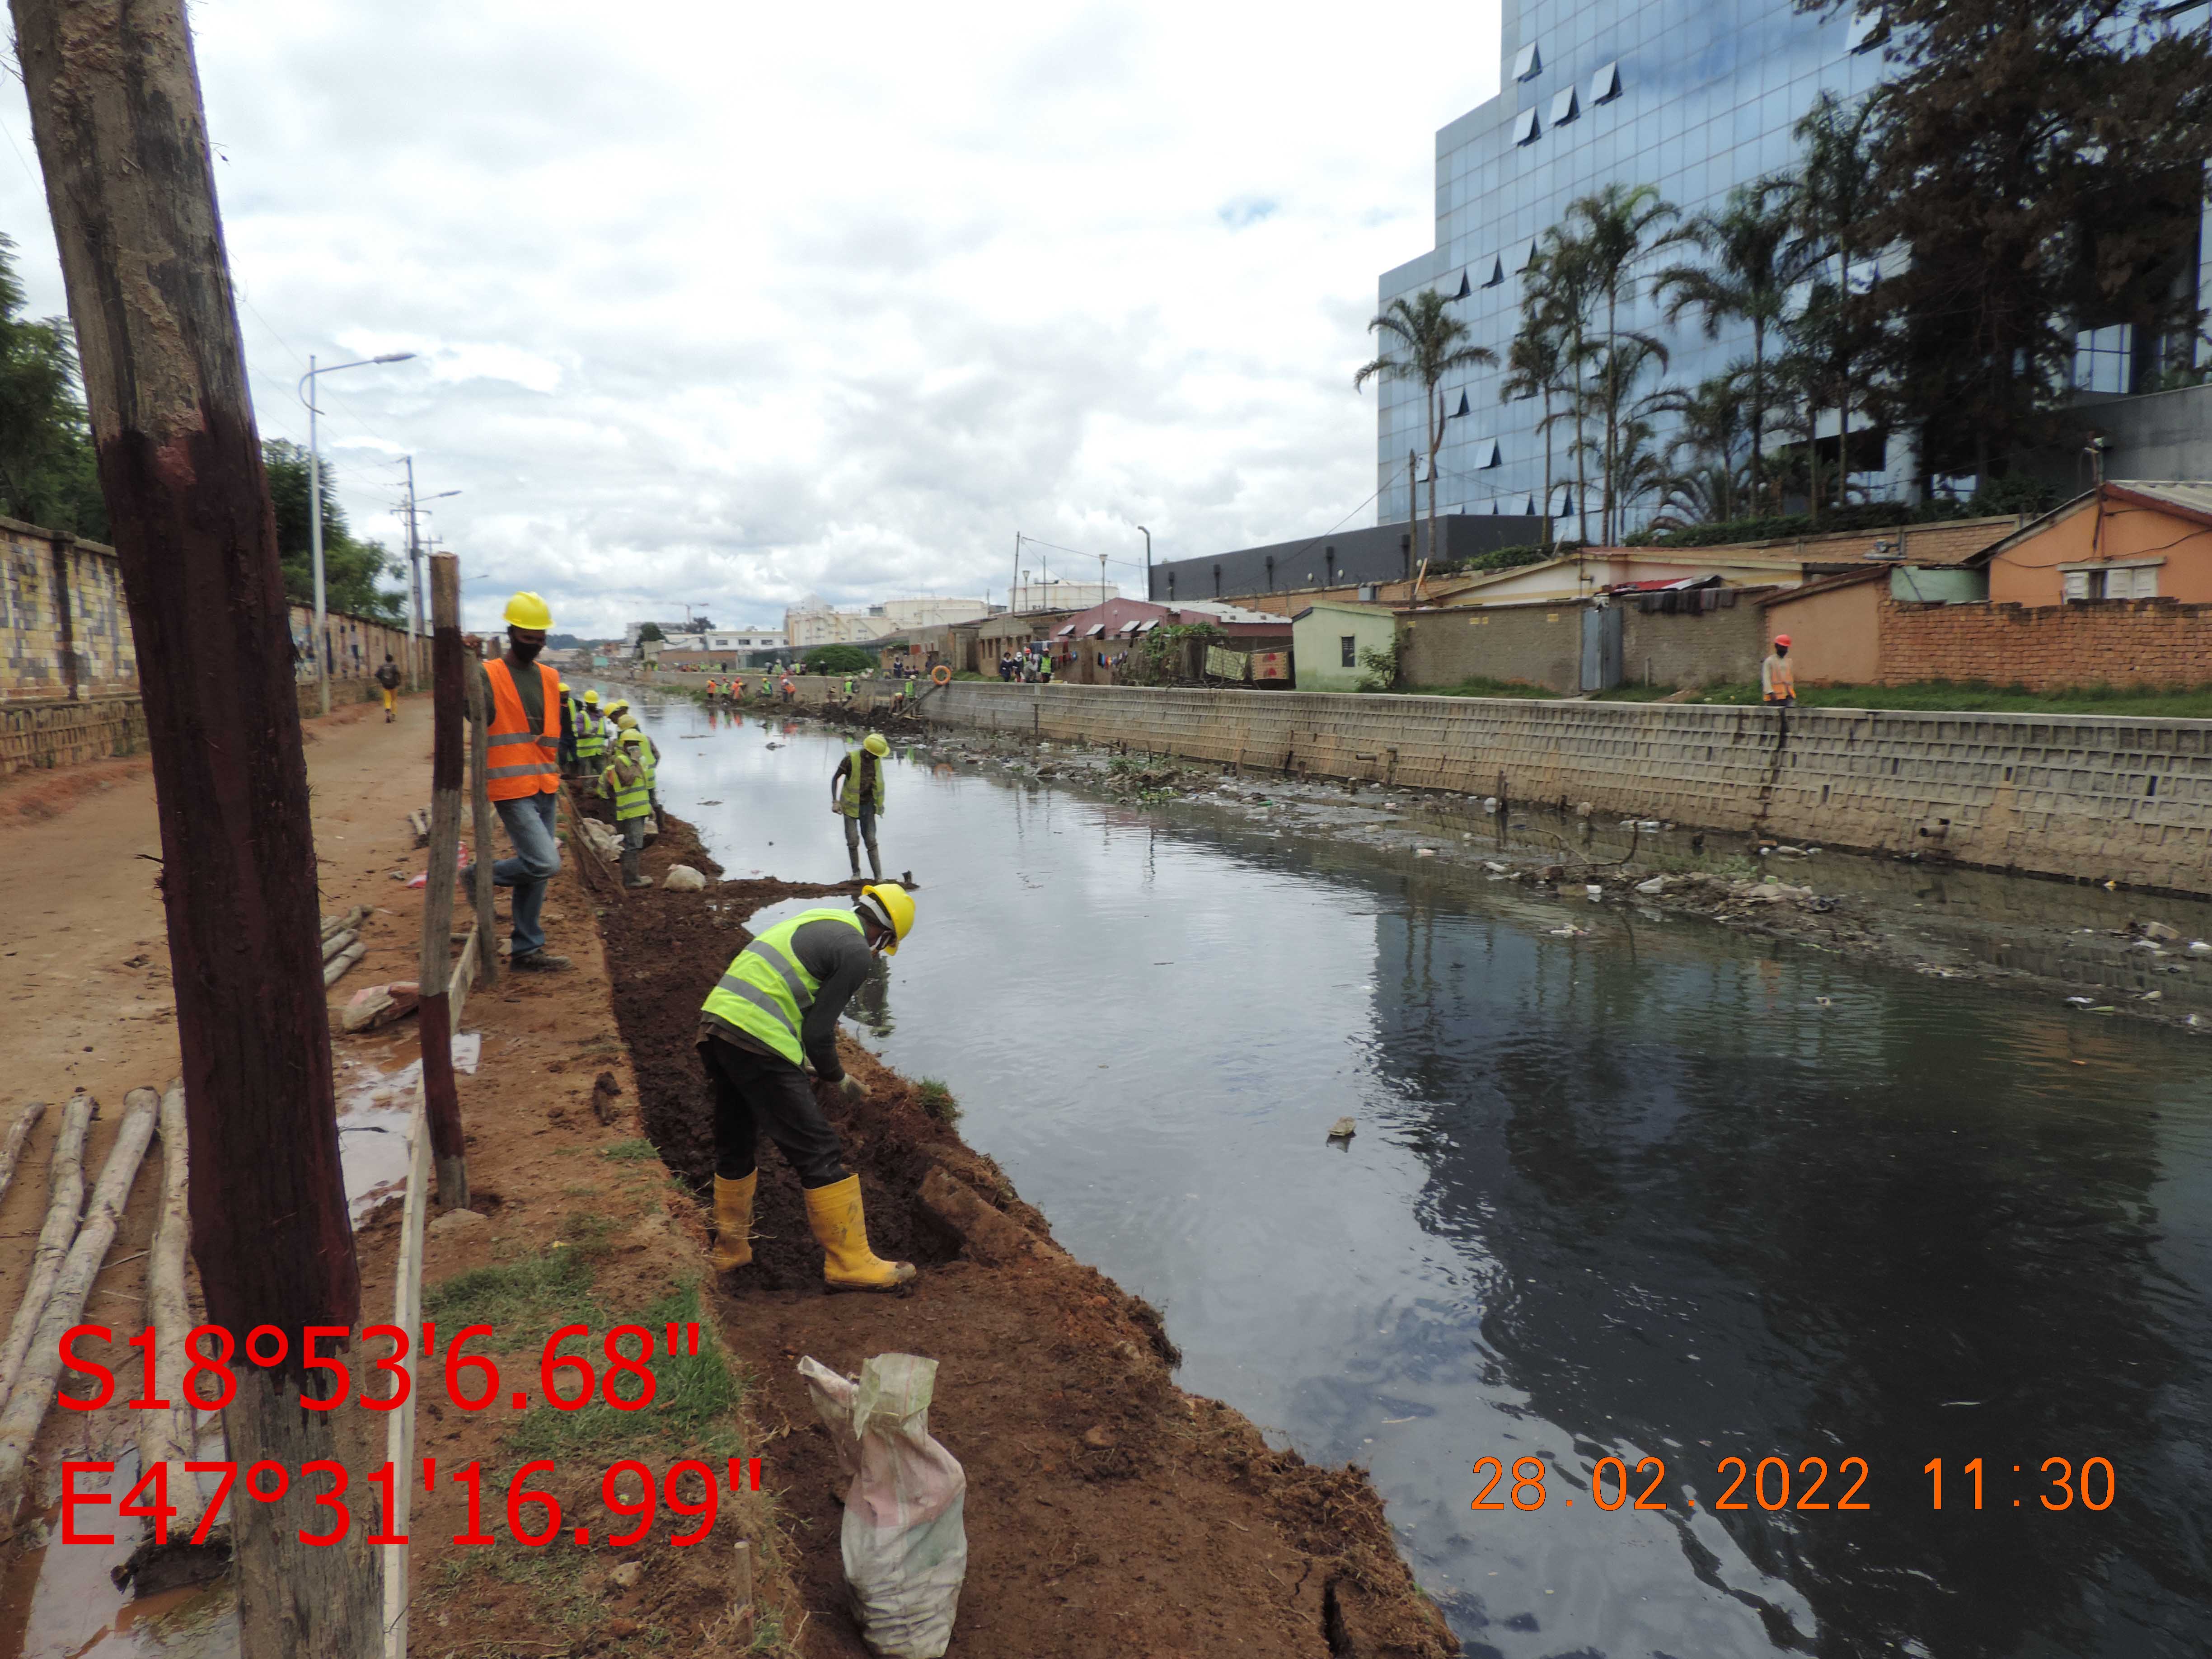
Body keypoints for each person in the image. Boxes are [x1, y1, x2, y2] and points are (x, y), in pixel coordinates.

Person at [698, 884, 918, 1291]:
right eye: (883, 946)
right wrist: (839, 1078)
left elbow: (785, 995)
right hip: (758, 1039)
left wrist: (796, 1058)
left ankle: (730, 1250)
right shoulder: (854, 952)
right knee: (818, 1149)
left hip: (719, 1026)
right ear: (883, 935)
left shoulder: (820, 922)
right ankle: (850, 1265)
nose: (877, 952)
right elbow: (819, 1034)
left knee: (736, 1141)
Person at [460, 592, 569, 970]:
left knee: (536, 875)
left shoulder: (551, 677)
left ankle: (526, 949)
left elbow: (551, 732)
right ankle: (479, 875)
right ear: (510, 633)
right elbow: (476, 713)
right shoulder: (489, 673)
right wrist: (466, 665)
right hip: (510, 786)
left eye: (541, 638)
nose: (536, 645)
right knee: (545, 863)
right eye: (528, 638)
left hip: (545, 783)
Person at [599, 728, 656, 889]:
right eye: (631, 744)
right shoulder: (621, 761)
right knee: (633, 844)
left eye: (636, 744)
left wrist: (648, 807)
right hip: (630, 811)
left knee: (635, 843)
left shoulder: (634, 762)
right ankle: (631, 880)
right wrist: (635, 762)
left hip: (639, 809)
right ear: (624, 745)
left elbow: (642, 787)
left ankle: (633, 877)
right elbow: (628, 780)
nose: (635, 747)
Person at [830, 733, 890, 882]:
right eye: (876, 755)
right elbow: (835, 778)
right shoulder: (851, 759)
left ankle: (879, 877)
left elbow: (878, 784)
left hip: (868, 807)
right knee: (852, 841)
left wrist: (879, 805)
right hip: (850, 807)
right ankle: (856, 874)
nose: (878, 757)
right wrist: (835, 801)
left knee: (871, 841)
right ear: (869, 753)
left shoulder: (876, 761)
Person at [574, 689, 608, 774]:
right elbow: (578, 733)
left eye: (595, 703)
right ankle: (587, 788)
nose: (594, 705)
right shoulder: (581, 716)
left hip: (599, 752)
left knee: (604, 776)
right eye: (592, 704)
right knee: (587, 778)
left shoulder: (600, 716)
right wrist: (588, 734)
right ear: (587, 703)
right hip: (586, 753)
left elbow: (603, 732)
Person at [1762, 633, 1797, 707]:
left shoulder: (1789, 661)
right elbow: (1766, 679)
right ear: (1776, 646)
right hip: (1774, 698)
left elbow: (1790, 680)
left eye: (1786, 648)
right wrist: (1770, 692)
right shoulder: (1770, 661)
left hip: (1788, 696)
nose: (1784, 650)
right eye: (1782, 647)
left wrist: (1791, 693)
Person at [557, 680, 579, 773]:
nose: (565, 696)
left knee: (576, 758)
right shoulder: (554, 704)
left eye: (567, 694)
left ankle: (574, 775)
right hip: (561, 735)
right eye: (563, 695)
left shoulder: (572, 702)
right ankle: (563, 774)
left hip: (572, 735)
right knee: (563, 758)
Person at [375, 653, 401, 721]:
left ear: (386, 659)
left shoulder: (382, 666)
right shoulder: (394, 666)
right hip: (394, 686)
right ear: (392, 659)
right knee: (394, 701)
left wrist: (382, 680)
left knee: (387, 701)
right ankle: (394, 715)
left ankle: (388, 715)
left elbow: (377, 674)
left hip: (386, 686)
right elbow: (398, 673)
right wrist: (399, 681)